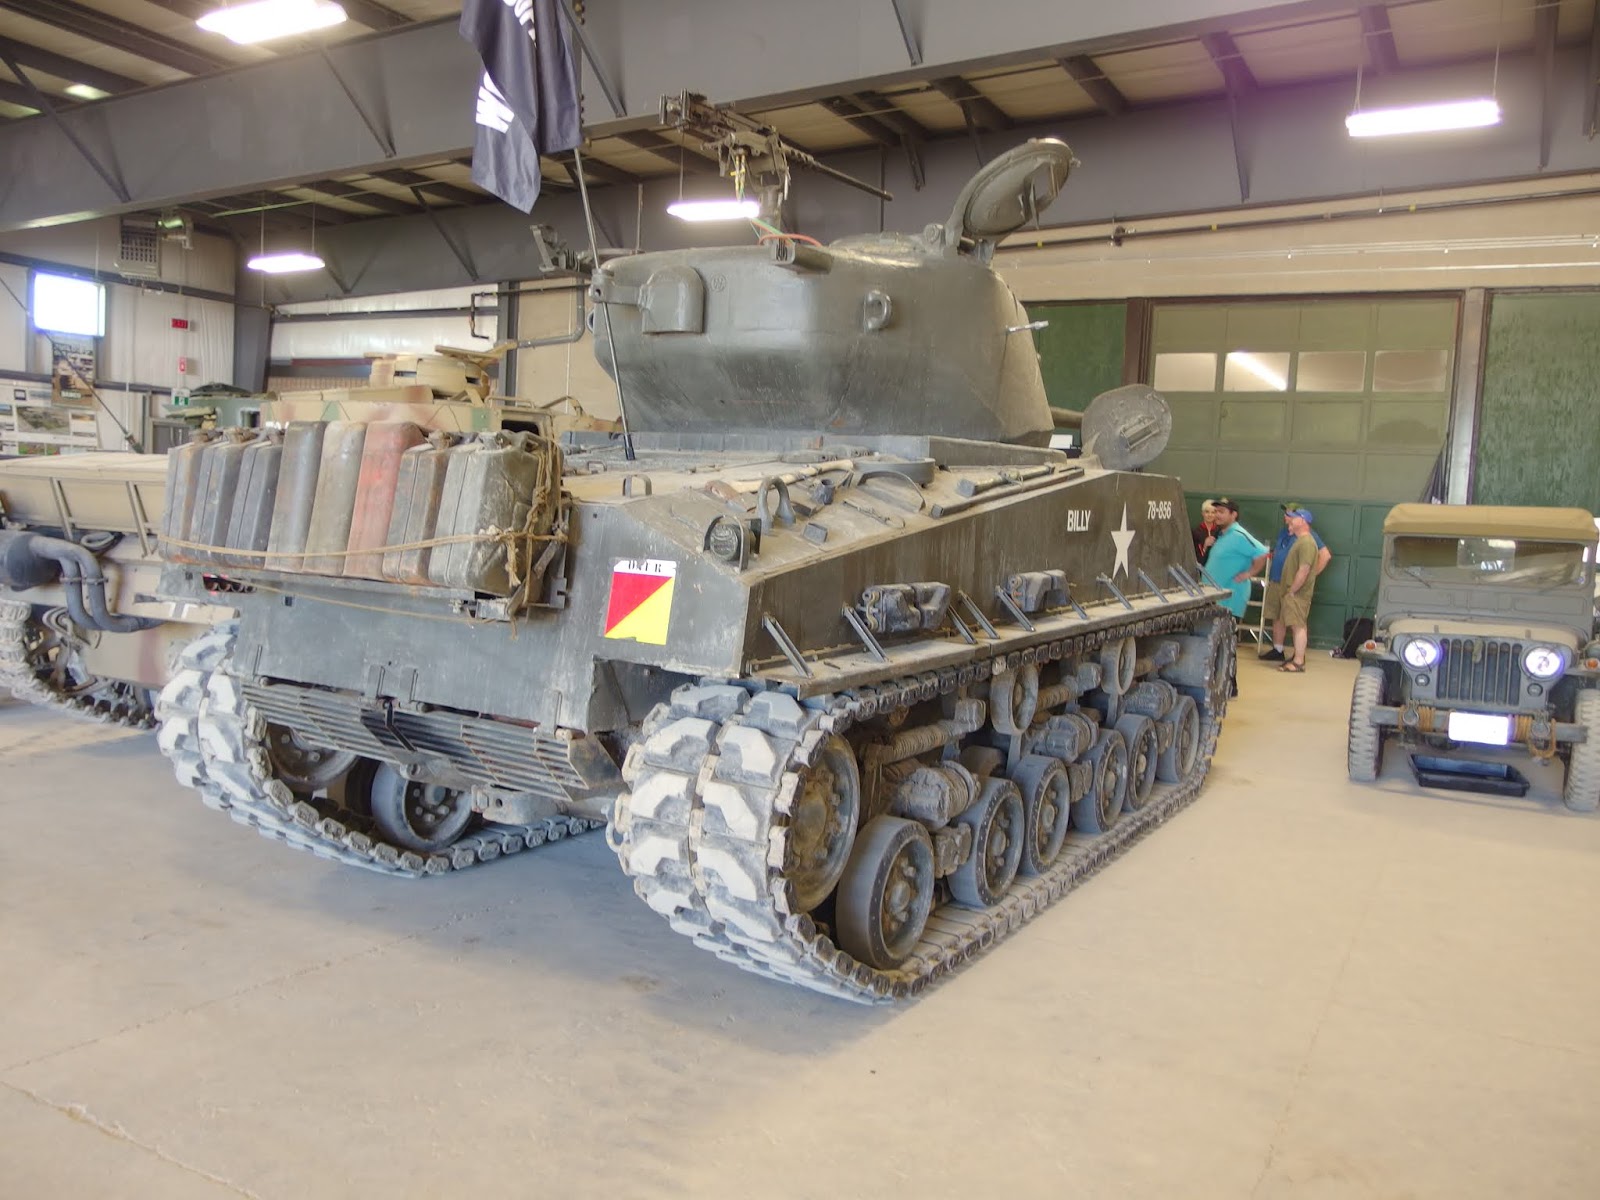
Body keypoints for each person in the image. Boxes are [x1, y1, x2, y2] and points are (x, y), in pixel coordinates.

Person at [1204, 498, 1268, 696]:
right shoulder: (1221, 535)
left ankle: (1231, 686)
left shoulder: (1240, 535)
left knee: (1226, 642)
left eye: (1222, 511)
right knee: (1215, 642)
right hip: (1214, 596)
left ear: (1234, 515)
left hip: (1230, 597)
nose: (1218, 515)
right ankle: (1220, 683)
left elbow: (1262, 553)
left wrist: (1249, 573)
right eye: (1216, 511)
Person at [1259, 501, 1331, 662]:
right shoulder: (1284, 532)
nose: (1287, 517)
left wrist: (1306, 578)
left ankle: (1299, 657)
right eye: (1286, 513)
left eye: (1291, 514)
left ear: (1301, 518)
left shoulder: (1308, 536)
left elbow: (1325, 556)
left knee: (1295, 621)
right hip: (1277, 581)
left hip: (1294, 584)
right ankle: (1278, 650)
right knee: (1277, 615)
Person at [1275, 509, 1319, 673]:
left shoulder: (1307, 542)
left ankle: (1298, 662)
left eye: (1293, 519)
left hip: (1297, 594)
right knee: (1297, 626)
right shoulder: (1301, 541)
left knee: (1298, 626)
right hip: (1294, 593)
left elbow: (1304, 569)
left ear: (1303, 520)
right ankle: (1297, 657)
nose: (1289, 521)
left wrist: (1292, 590)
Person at [1192, 499, 1218, 564]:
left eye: (1213, 512)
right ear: (1202, 513)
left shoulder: (1220, 531)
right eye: (1207, 512)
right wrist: (1204, 547)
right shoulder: (1195, 532)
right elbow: (1193, 555)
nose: (1210, 515)